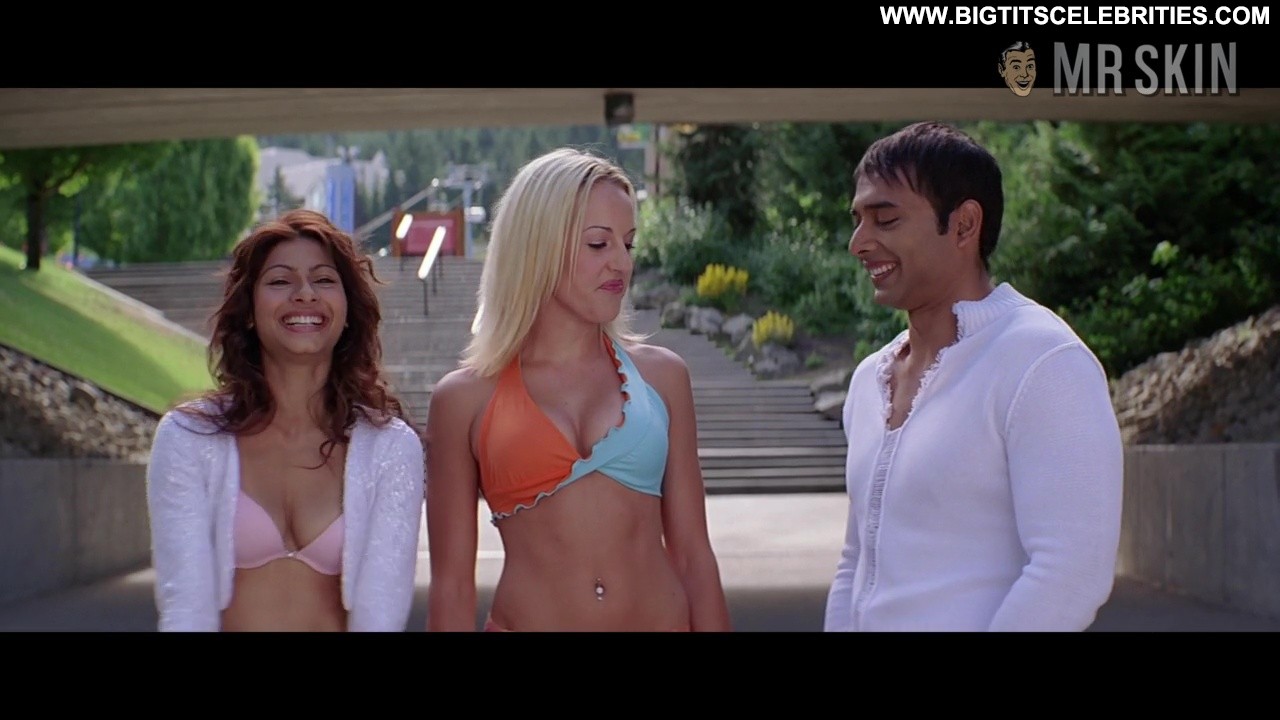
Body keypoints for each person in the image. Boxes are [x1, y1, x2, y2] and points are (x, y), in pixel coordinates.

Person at [824, 121, 1123, 632]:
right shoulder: (870, 379)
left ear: (964, 225)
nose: (859, 243)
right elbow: (856, 562)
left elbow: (1072, 573)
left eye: (885, 219)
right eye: (858, 220)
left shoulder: (1043, 362)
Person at [425, 147, 731, 632]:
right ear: (537, 246)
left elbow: (694, 556)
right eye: (598, 244)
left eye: (628, 245)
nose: (621, 263)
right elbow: (452, 588)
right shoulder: (463, 400)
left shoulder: (663, 378)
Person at [146, 209, 425, 632]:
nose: (305, 294)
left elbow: (380, 616)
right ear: (248, 310)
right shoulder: (187, 437)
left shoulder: (390, 447)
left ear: (348, 309)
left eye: (324, 280)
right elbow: (185, 609)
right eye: (280, 281)